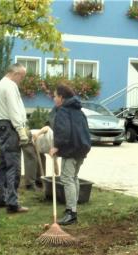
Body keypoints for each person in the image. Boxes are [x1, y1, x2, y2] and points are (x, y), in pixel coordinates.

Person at [0, 63, 34, 213]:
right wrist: (21, 130)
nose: (21, 80)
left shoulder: (0, 84)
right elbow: (13, 109)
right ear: (15, 73)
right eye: (22, 76)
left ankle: (1, 199)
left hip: (2, 126)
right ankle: (12, 203)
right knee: (13, 166)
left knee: (4, 165)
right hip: (10, 128)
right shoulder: (10, 86)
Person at [49, 84, 91, 226]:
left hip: (71, 150)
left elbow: (63, 132)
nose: (54, 98)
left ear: (61, 97)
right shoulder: (79, 110)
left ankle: (71, 213)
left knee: (67, 178)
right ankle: (72, 207)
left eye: (55, 96)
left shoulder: (63, 110)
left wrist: (56, 146)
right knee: (73, 177)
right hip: (82, 148)